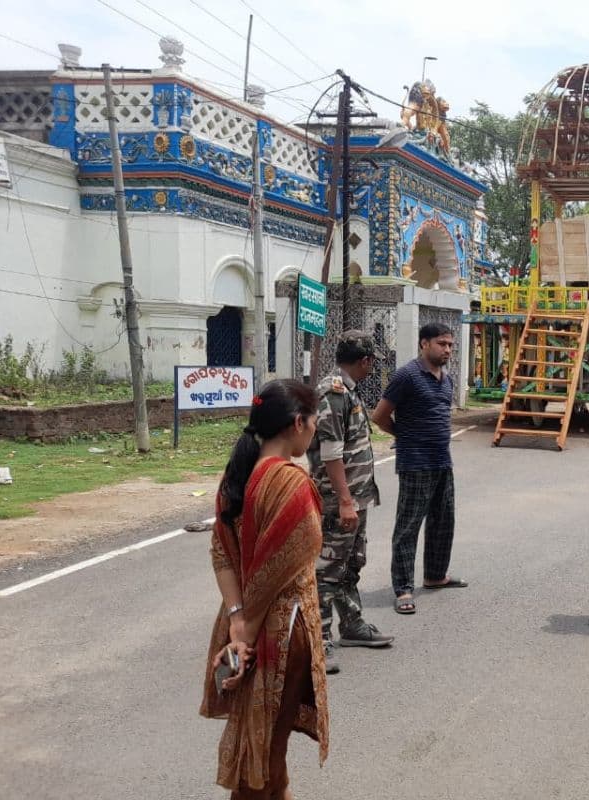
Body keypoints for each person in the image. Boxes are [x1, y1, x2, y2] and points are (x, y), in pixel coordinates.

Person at [200, 379, 329, 800]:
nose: (314, 431)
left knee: (264, 742)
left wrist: (237, 621)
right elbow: (282, 566)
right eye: (314, 422)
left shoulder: (236, 475)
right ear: (297, 423)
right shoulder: (291, 484)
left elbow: (221, 553)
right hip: (280, 630)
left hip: (241, 621)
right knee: (264, 758)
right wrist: (248, 634)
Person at [307, 331, 394, 675]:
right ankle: (319, 640)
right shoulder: (333, 393)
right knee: (328, 568)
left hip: (356, 497)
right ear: (365, 361)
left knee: (351, 562)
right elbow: (330, 453)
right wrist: (344, 501)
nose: (373, 367)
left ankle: (352, 624)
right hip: (337, 500)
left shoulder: (348, 390)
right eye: (372, 362)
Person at [372, 322, 468, 615]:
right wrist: (404, 435)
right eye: (442, 344)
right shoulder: (407, 376)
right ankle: (403, 588)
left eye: (450, 345)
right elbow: (379, 416)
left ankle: (435, 576)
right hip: (415, 463)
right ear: (424, 344)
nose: (447, 350)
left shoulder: (446, 379)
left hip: (442, 461)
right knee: (408, 527)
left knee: (443, 522)